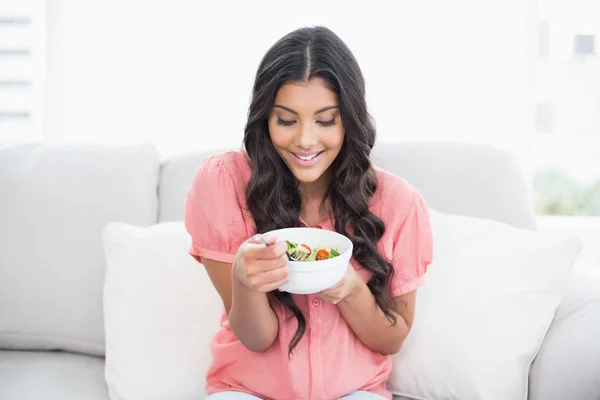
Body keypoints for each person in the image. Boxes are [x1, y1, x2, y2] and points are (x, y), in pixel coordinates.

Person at [184, 26, 433, 400]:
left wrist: (352, 292)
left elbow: (391, 339)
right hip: (247, 390)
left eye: (326, 120)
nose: (305, 139)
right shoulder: (223, 182)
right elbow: (256, 338)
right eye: (286, 120)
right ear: (265, 119)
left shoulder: (398, 203)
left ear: (350, 119)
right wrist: (245, 283)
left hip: (353, 392)